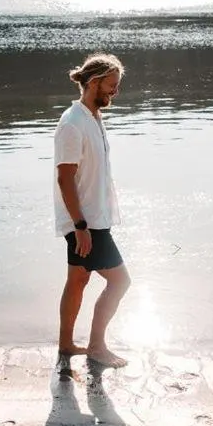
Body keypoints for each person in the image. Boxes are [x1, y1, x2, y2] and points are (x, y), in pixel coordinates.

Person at [53, 53, 131, 369]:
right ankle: (97, 346)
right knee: (120, 282)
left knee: (77, 281)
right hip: (86, 222)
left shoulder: (92, 118)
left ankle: (66, 344)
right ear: (94, 82)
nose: (115, 92)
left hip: (93, 218)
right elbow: (64, 176)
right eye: (111, 86)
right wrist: (81, 225)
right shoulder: (73, 124)